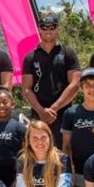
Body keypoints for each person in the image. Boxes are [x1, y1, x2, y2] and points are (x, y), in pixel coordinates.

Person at [21, 13, 81, 148]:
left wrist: (54, 108)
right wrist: (41, 111)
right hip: (38, 114)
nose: (48, 30)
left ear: (57, 29)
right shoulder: (30, 57)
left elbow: (75, 84)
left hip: (64, 113)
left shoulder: (68, 53)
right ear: (39, 29)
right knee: (39, 153)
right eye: (44, 27)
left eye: (52, 27)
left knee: (66, 152)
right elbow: (26, 89)